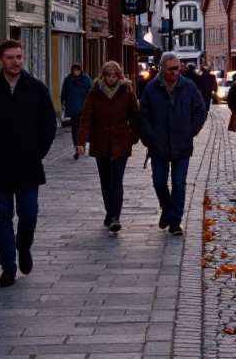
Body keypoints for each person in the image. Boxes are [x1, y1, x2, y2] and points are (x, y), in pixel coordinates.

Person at [0, 41, 58, 287]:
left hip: (28, 165)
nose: (16, 62)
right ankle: (8, 267)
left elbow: (48, 125)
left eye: (19, 57)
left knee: (29, 213)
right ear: (0, 60)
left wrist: (37, 152)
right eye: (10, 57)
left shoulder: (36, 89)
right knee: (2, 216)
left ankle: (23, 246)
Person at [140, 52, 208, 234]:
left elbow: (201, 111)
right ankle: (167, 209)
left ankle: (175, 222)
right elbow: (144, 116)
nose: (176, 72)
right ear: (162, 68)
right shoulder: (151, 89)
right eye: (171, 69)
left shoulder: (188, 87)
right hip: (158, 145)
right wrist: (149, 137)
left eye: (178, 68)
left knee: (179, 184)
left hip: (181, 144)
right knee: (159, 183)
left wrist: (190, 131)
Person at [76, 61, 141, 232]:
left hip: (121, 141)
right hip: (101, 142)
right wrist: (81, 142)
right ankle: (109, 211)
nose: (112, 79)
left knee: (116, 180)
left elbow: (134, 116)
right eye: (108, 76)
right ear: (103, 76)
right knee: (106, 181)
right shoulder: (95, 92)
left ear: (118, 76)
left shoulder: (126, 92)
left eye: (114, 76)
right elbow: (86, 118)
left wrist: (135, 137)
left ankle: (115, 217)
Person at [61, 63, 91, 160]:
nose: (76, 72)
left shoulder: (85, 79)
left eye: (78, 70)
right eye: (75, 71)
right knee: (75, 129)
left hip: (83, 109)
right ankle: (77, 147)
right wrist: (63, 102)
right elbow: (64, 92)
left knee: (83, 128)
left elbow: (91, 92)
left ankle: (82, 144)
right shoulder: (68, 80)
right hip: (73, 109)